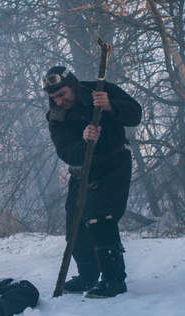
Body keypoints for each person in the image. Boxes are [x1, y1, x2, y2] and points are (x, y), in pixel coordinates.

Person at [43, 66, 142, 298]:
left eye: (62, 94)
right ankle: (88, 276)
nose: (59, 101)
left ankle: (114, 280)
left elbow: (135, 114)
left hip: (114, 165)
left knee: (100, 218)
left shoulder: (102, 90)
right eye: (53, 97)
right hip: (82, 172)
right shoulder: (56, 116)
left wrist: (110, 106)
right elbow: (65, 151)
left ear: (73, 86)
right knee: (75, 226)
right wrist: (84, 143)